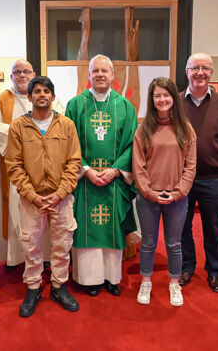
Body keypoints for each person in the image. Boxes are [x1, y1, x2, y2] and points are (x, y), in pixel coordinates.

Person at [5, 76, 82, 317]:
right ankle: (34, 287)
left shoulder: (66, 125)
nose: (42, 95)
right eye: (37, 91)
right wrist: (33, 195)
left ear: (53, 96)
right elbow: (14, 165)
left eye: (46, 91)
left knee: (62, 245)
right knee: (31, 245)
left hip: (61, 197)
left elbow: (74, 162)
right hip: (32, 199)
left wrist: (60, 193)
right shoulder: (19, 126)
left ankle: (59, 286)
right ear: (29, 97)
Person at [65, 54, 138, 297]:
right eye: (95, 71)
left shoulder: (125, 106)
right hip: (85, 182)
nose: (100, 75)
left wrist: (116, 169)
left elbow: (131, 145)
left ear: (112, 75)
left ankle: (110, 277)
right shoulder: (75, 105)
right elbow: (68, 143)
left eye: (105, 71)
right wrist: (86, 170)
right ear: (89, 74)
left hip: (113, 180)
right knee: (86, 226)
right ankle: (88, 279)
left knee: (112, 227)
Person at [0, 59, 65, 268]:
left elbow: (59, 124)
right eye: (17, 72)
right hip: (15, 169)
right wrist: (23, 138)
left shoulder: (47, 96)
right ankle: (16, 258)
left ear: (33, 74)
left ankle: (45, 258)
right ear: (11, 77)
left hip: (44, 169)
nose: (22, 75)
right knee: (15, 211)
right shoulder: (2, 99)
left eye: (26, 71)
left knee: (42, 212)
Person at [132, 77, 197, 307]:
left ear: (173, 98)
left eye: (166, 95)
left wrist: (179, 192)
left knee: (174, 244)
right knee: (149, 243)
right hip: (148, 198)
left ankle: (173, 283)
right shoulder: (144, 129)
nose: (162, 99)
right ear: (152, 99)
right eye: (157, 95)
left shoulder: (184, 128)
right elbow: (138, 166)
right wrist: (149, 192)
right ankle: (146, 281)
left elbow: (190, 165)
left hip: (176, 198)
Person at [178, 53, 218, 293]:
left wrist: (214, 157)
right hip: (182, 179)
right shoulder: (175, 101)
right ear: (187, 71)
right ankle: (187, 266)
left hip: (212, 178)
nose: (200, 73)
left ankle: (214, 271)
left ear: (212, 72)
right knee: (183, 226)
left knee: (213, 227)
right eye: (195, 68)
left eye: (205, 68)